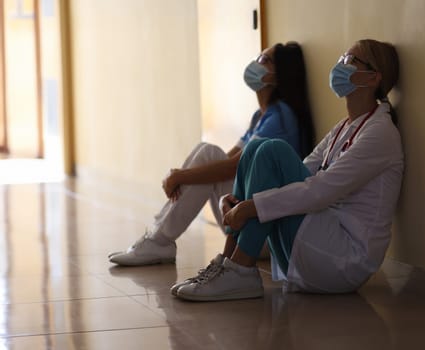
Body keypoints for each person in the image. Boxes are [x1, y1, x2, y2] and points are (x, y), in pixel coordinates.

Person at [172, 39, 404, 301]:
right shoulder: (345, 126)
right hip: (319, 241)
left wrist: (250, 207)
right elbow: (302, 171)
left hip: (344, 259)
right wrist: (238, 201)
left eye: (349, 61)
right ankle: (229, 263)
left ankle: (241, 270)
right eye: (341, 59)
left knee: (273, 150)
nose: (339, 66)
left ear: (373, 77)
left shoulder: (380, 133)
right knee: (255, 148)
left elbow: (320, 191)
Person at [109, 42, 315, 266]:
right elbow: (227, 160)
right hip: (246, 222)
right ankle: (159, 239)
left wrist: (180, 176)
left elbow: (230, 166)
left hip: (267, 233)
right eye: (258, 58)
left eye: (265, 60)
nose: (256, 64)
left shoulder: (281, 117)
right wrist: (184, 174)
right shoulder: (261, 116)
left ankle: (159, 241)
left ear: (279, 76)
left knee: (209, 155)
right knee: (207, 152)